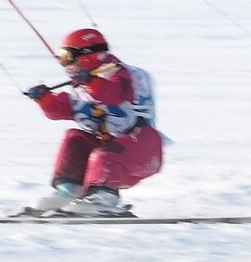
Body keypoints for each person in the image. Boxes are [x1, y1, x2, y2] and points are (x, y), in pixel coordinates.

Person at [21, 26, 163, 216]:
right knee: (74, 138)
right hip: (109, 150)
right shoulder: (82, 85)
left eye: (67, 56)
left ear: (88, 54)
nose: (65, 64)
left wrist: (91, 81)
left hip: (140, 150)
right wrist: (45, 99)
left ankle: (104, 198)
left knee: (105, 154)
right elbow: (62, 110)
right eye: (61, 58)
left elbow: (114, 95)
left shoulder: (123, 76)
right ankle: (69, 190)